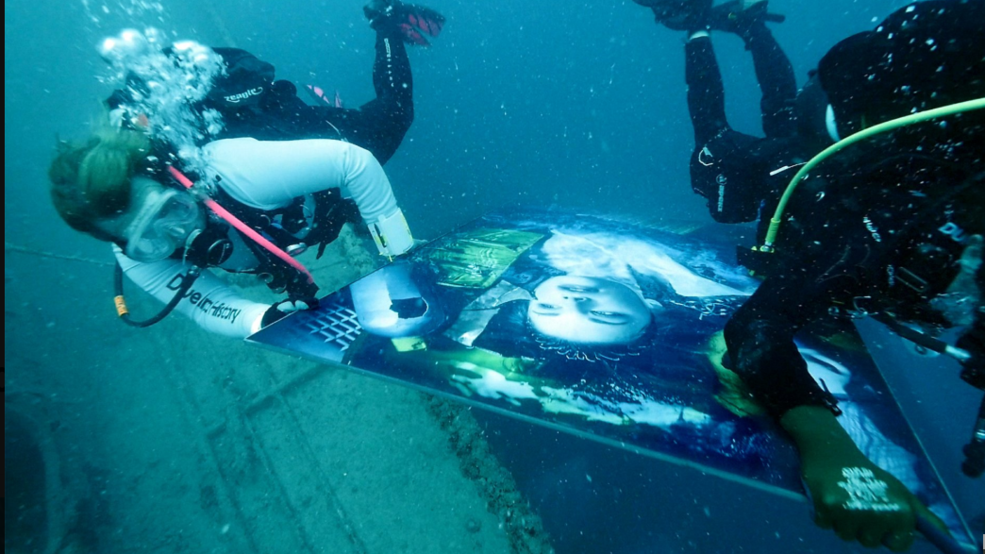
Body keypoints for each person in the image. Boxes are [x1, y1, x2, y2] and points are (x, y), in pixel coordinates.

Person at [720, 1, 984, 550]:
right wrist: (830, 446)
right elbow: (755, 328)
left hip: (870, 136)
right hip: (830, 147)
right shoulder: (889, 220)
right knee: (733, 141)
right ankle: (717, 27)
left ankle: (745, 28)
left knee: (779, 113)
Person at [103, 0, 445, 166]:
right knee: (382, 133)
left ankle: (385, 22)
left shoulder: (188, 126)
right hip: (293, 134)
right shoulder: (169, 157)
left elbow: (292, 148)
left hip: (300, 127)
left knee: (394, 116)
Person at [633, 0, 832, 240]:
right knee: (723, 134)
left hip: (821, 155)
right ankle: (726, 26)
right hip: (820, 162)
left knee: (762, 118)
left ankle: (728, 25)